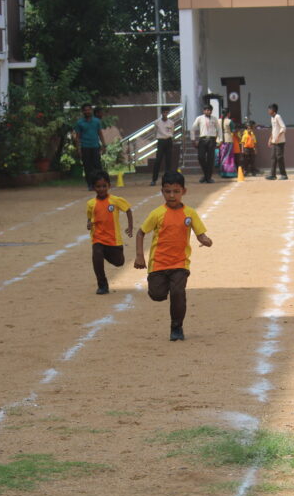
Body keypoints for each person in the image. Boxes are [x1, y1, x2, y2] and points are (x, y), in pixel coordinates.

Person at [134, 171, 213, 341]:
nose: (171, 195)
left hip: (180, 263)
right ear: (162, 191)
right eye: (167, 191)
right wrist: (140, 256)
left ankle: (176, 327)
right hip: (158, 263)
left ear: (183, 191)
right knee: (157, 295)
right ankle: (163, 287)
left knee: (178, 293)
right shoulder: (157, 213)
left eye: (176, 191)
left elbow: (200, 233)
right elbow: (141, 233)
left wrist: (205, 239)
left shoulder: (190, 213)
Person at [86, 171, 134, 294]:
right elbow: (89, 217)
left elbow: (128, 210)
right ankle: (102, 285)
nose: (101, 189)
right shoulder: (91, 204)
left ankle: (104, 253)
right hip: (98, 238)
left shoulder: (115, 200)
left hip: (113, 239)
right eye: (98, 186)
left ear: (109, 186)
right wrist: (89, 224)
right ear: (93, 187)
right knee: (97, 256)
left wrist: (130, 227)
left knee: (119, 262)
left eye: (104, 186)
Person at [73, 103, 106, 190]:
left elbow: (100, 133)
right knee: (87, 166)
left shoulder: (96, 121)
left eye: (89, 110)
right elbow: (77, 137)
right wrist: (78, 149)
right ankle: (90, 184)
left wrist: (104, 145)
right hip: (85, 147)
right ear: (83, 112)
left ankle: (99, 183)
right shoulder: (80, 123)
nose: (87, 111)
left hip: (95, 146)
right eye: (85, 110)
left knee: (97, 166)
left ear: (91, 110)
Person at [191, 104, 218, 183]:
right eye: (206, 110)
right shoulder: (199, 118)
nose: (207, 111)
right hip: (202, 139)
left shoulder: (214, 119)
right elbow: (192, 129)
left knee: (210, 159)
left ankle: (208, 178)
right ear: (203, 111)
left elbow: (219, 129)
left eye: (209, 110)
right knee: (201, 157)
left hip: (212, 139)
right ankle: (206, 175)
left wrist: (219, 140)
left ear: (211, 111)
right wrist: (193, 140)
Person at [152, 108, 175, 186]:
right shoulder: (157, 122)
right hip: (161, 141)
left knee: (168, 161)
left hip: (168, 141)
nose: (165, 114)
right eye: (164, 112)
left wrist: (169, 138)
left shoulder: (171, 123)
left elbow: (172, 132)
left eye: (166, 112)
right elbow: (155, 132)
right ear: (161, 113)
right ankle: (154, 179)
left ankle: (168, 179)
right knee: (158, 160)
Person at [266, 103, 287, 180]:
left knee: (279, 157)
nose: (268, 111)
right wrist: (270, 138)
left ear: (273, 110)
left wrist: (278, 137)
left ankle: (284, 175)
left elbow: (283, 127)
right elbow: (274, 129)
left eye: (269, 109)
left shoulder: (278, 116)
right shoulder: (272, 118)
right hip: (274, 142)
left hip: (280, 142)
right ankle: (273, 175)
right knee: (273, 158)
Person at [218, 111, 236, 178]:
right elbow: (233, 130)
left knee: (222, 156)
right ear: (228, 114)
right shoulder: (229, 121)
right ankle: (229, 172)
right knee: (229, 157)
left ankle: (222, 172)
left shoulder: (218, 121)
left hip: (220, 140)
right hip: (228, 139)